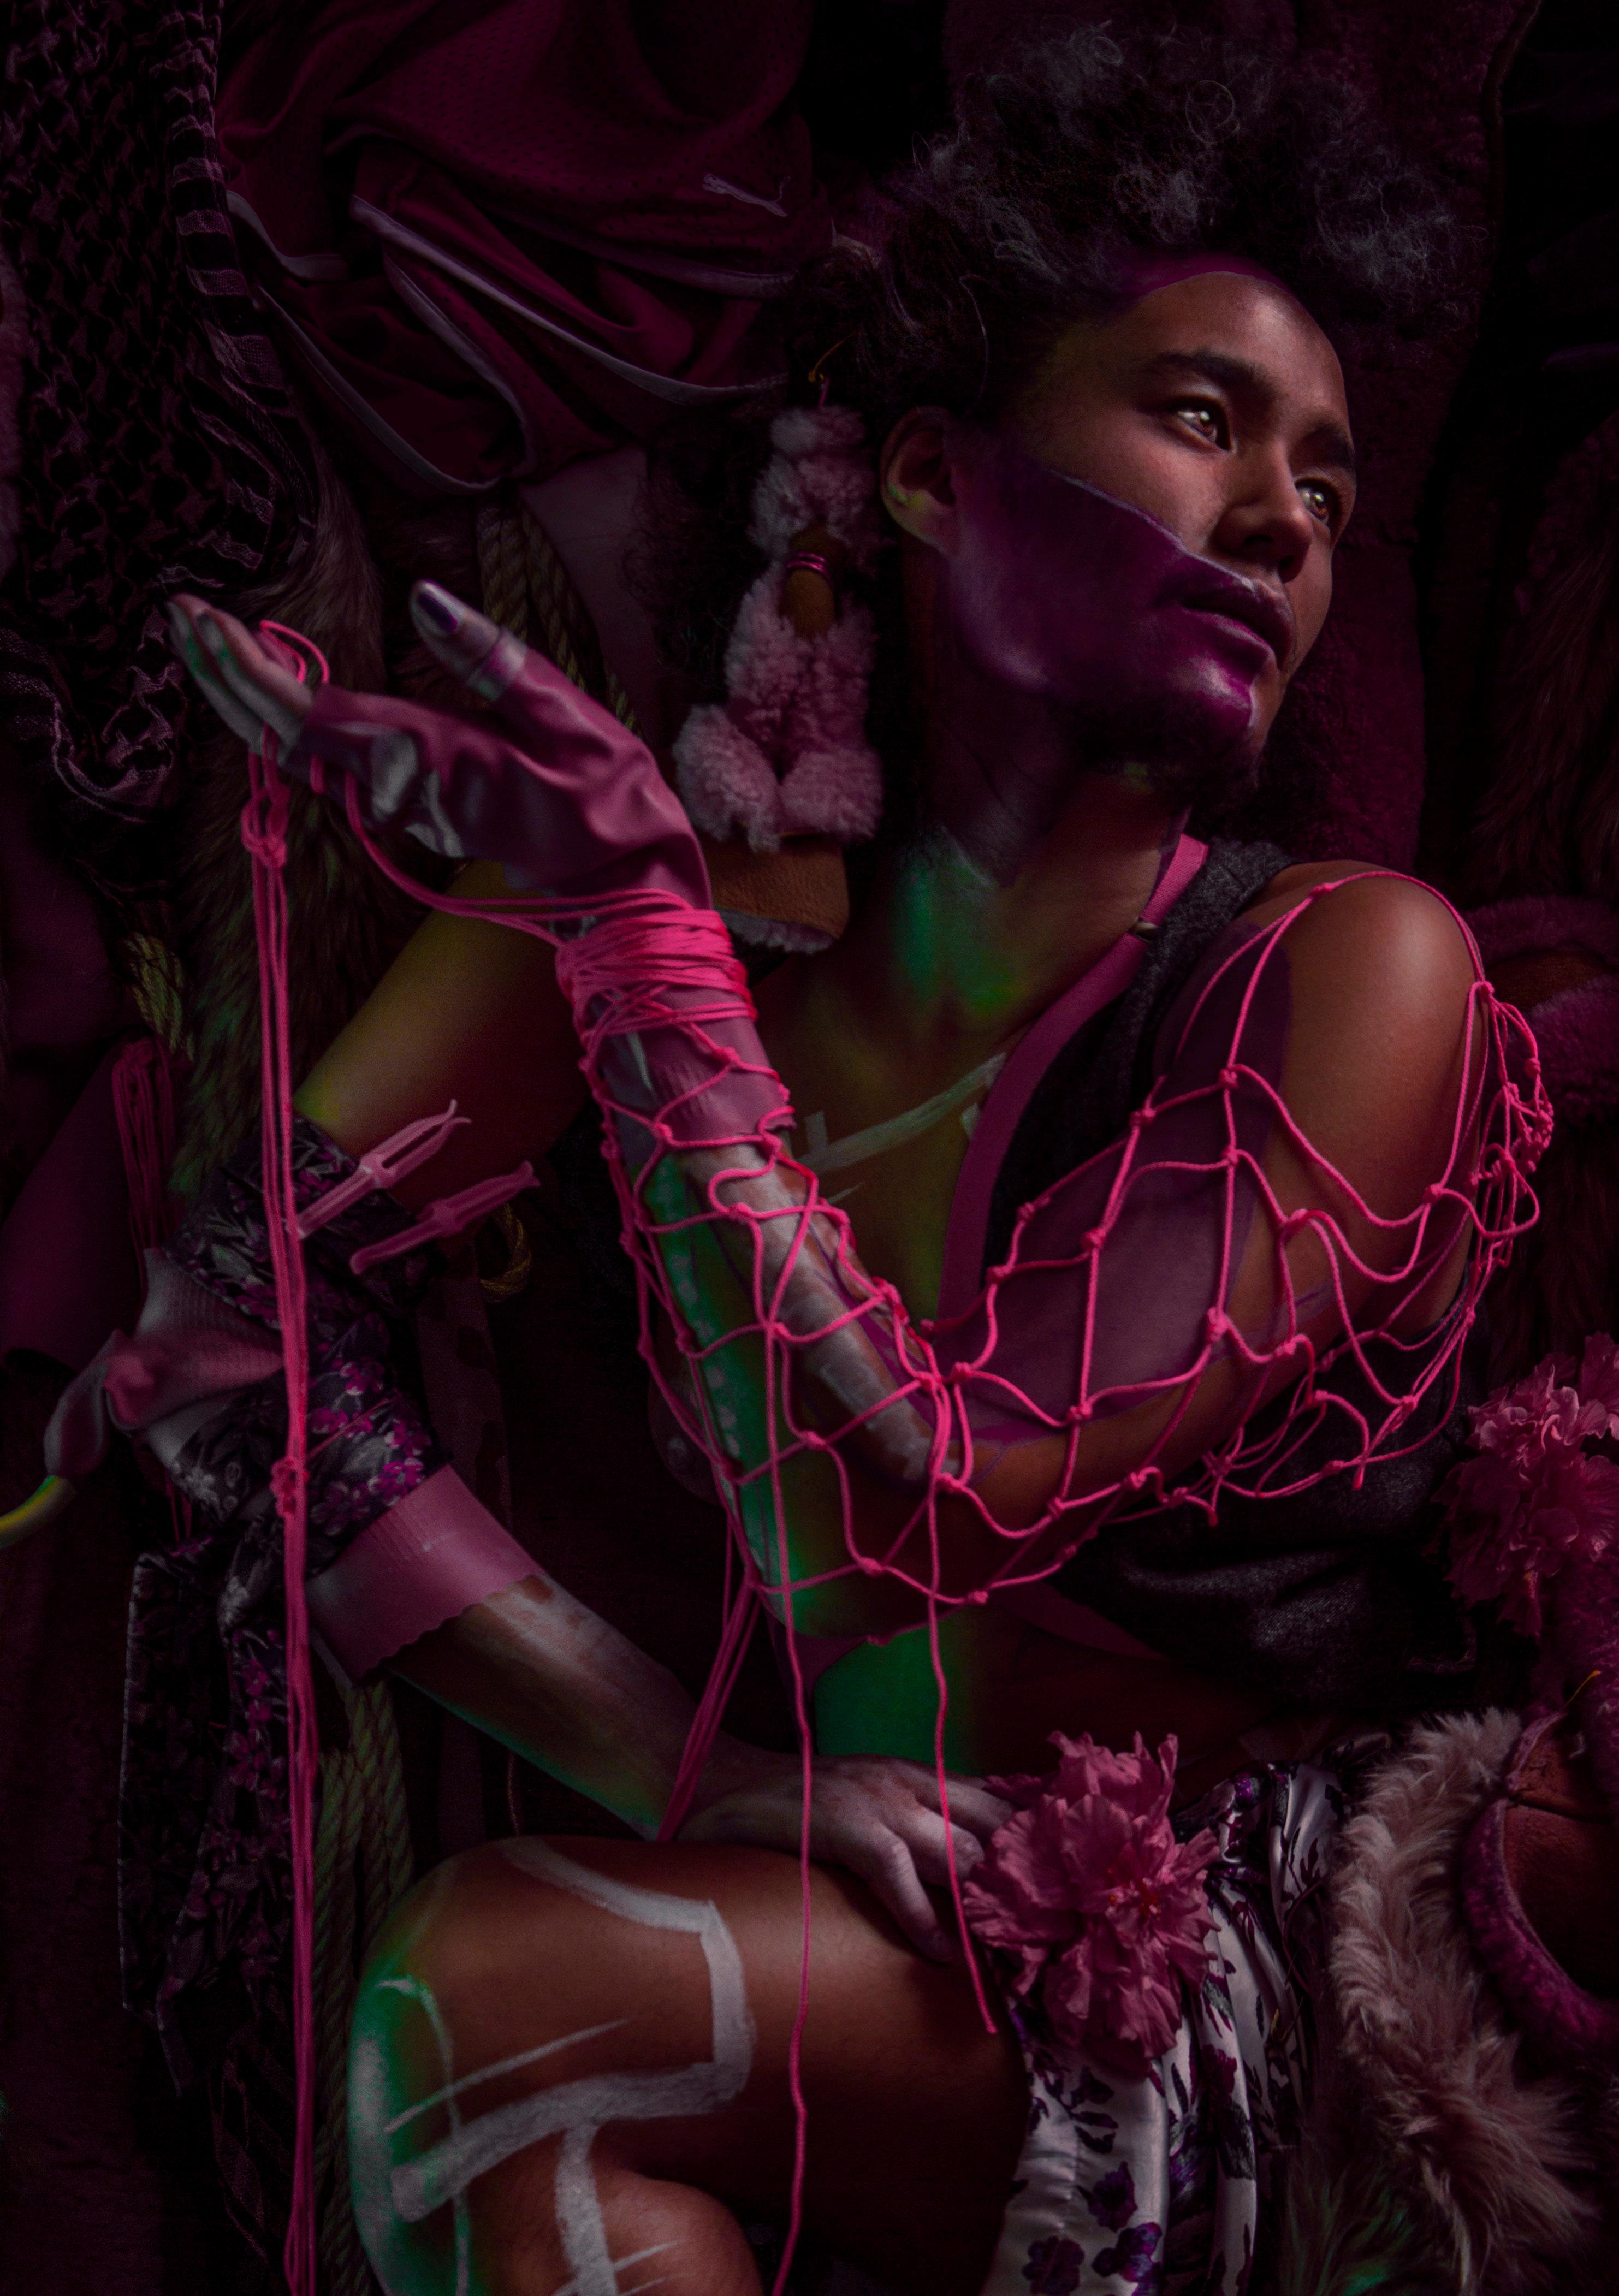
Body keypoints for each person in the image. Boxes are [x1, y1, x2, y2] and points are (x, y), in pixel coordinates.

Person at [90, 26, 1575, 2292]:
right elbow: (228, 1324)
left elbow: (946, 1495)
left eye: (1329, 489)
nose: (1287, 523)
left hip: (1280, 1994)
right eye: (1202, 421)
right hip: (865, 1949)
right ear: (926, 477)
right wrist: (677, 1770)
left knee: (482, 2001)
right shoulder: (680, 926)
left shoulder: (1356, 971)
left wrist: (633, 952)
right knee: (553, 2192)